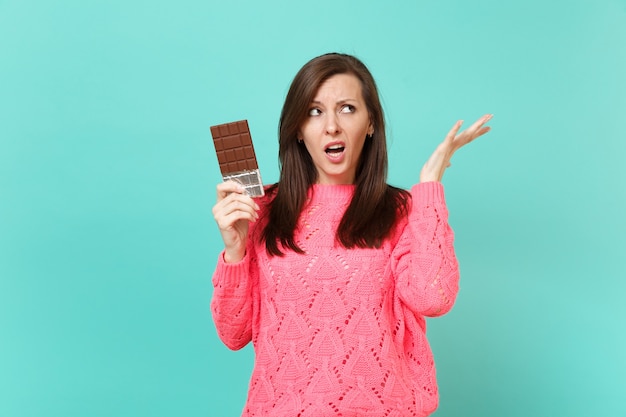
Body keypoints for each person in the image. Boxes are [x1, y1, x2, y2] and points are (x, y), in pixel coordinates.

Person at [211, 52, 492, 417]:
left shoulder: (401, 211)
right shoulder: (261, 209)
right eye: (314, 111)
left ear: (370, 122)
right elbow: (234, 335)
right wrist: (235, 251)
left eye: (346, 108)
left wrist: (429, 188)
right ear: (298, 128)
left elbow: (433, 298)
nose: (331, 126)